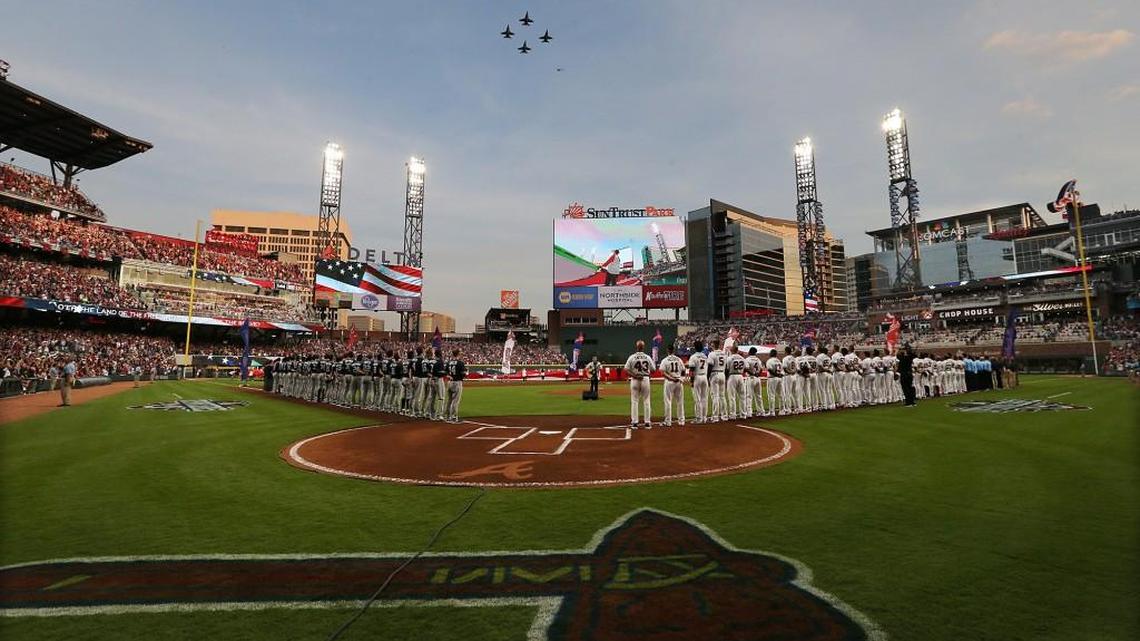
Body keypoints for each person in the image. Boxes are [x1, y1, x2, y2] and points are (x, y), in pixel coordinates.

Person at [624, 340, 654, 428]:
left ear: (637, 347)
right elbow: (653, 369)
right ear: (643, 347)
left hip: (635, 379)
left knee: (634, 401)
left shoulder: (632, 357)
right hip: (645, 378)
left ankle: (634, 423)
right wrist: (646, 373)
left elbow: (626, 370)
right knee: (646, 401)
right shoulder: (647, 357)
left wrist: (635, 375)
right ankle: (647, 422)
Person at [658, 344, 686, 427]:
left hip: (670, 382)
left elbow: (662, 372)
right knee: (680, 402)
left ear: (668, 351)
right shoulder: (679, 359)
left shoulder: (665, 360)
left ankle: (668, 421)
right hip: (679, 381)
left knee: (668, 401)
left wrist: (671, 378)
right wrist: (682, 378)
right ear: (673, 350)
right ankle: (681, 421)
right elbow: (684, 370)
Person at [688, 341, 710, 423]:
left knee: (697, 399)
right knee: (704, 398)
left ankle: (698, 418)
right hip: (704, 376)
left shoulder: (693, 357)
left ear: (695, 347)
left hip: (697, 377)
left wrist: (691, 380)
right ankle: (704, 418)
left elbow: (692, 370)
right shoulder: (705, 356)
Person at [707, 339, 728, 421]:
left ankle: (715, 416)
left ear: (713, 345)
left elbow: (710, 366)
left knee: (715, 396)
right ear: (719, 345)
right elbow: (726, 368)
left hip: (714, 374)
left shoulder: (712, 354)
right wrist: (725, 377)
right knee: (722, 396)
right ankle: (724, 415)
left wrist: (707, 377)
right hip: (722, 374)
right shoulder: (724, 354)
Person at [445, 349, 466, 423]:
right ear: (458, 354)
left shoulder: (448, 362)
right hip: (457, 382)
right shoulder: (460, 363)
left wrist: (449, 376)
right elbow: (463, 374)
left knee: (449, 400)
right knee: (455, 401)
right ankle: (453, 417)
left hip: (449, 382)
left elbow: (445, 372)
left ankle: (447, 417)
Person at [725, 347, 746, 420]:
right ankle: (743, 414)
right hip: (740, 376)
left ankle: (733, 415)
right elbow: (746, 368)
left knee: (732, 397)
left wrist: (726, 379)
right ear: (737, 350)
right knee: (742, 396)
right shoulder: (742, 358)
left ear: (731, 350)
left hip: (732, 376)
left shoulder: (730, 358)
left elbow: (727, 369)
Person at [744, 347, 765, 418]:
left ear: (750, 352)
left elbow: (745, 369)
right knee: (759, 396)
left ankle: (749, 412)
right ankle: (761, 411)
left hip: (750, 378)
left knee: (749, 396)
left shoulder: (748, 359)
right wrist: (757, 374)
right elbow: (761, 369)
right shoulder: (758, 359)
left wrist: (753, 374)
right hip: (757, 378)